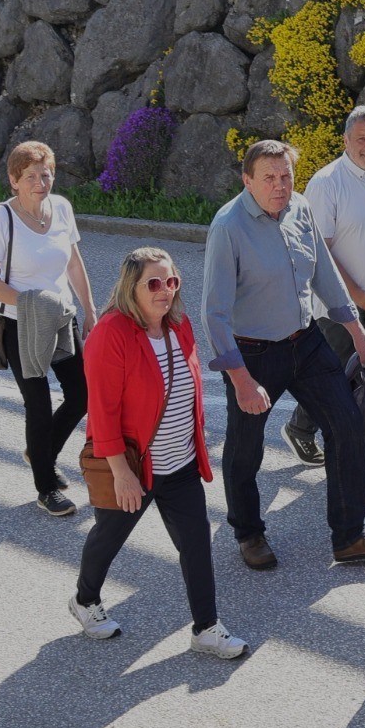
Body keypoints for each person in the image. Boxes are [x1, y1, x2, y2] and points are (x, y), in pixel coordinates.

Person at [202, 139, 365, 570]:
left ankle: (349, 536)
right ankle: (249, 533)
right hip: (253, 353)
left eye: (286, 175)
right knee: (245, 447)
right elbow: (214, 315)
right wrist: (241, 380)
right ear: (247, 180)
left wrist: (358, 334)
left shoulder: (300, 208)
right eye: (269, 177)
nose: (280, 185)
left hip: (306, 341)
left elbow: (326, 277)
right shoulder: (228, 227)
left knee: (346, 423)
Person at [74, 247, 248, 659]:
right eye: (154, 283)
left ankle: (206, 628)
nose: (165, 290)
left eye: (171, 281)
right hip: (135, 464)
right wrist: (120, 471)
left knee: (196, 543)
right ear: (130, 287)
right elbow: (102, 410)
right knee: (108, 538)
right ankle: (84, 599)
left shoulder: (179, 326)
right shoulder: (110, 334)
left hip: (180, 464)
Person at [283, 105, 365, 465]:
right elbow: (320, 251)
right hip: (340, 306)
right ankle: (301, 428)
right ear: (346, 140)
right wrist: (358, 298)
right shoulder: (326, 184)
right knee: (334, 378)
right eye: (362, 138)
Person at [0, 141, 96, 517]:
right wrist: (27, 305)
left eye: (47, 174)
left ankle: (39, 451)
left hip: (60, 316)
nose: (41, 182)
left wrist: (89, 310)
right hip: (19, 323)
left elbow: (74, 263)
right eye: (31, 176)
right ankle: (46, 487)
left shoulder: (61, 209)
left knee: (82, 394)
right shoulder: (1, 220)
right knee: (39, 405)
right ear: (14, 180)